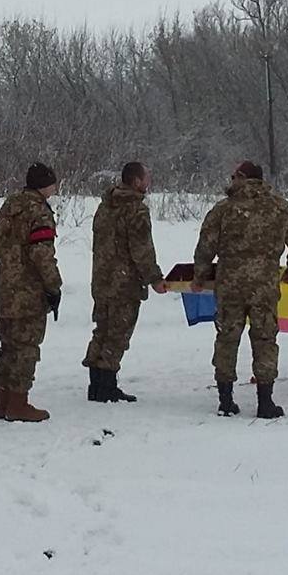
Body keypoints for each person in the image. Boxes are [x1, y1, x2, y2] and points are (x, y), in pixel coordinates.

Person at [193, 161, 288, 419]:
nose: (231, 180)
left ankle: (225, 400)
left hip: (230, 285)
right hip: (264, 287)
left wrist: (200, 275)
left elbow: (205, 246)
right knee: (265, 339)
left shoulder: (224, 209)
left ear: (243, 178)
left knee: (226, 338)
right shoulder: (280, 207)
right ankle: (265, 401)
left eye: (234, 176)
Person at [85, 161, 166, 403]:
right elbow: (142, 250)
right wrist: (155, 278)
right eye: (146, 178)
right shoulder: (136, 210)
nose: (148, 182)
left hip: (101, 279)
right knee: (117, 334)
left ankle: (95, 384)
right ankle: (107, 387)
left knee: (102, 330)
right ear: (136, 181)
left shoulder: (105, 206)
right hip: (124, 283)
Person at [0, 163, 63, 422]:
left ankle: (2, 402)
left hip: (6, 288)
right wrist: (54, 285)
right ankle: (18, 403)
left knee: (8, 346)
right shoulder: (39, 211)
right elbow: (42, 253)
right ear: (46, 185)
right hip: (29, 290)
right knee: (26, 347)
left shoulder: (10, 206)